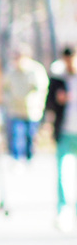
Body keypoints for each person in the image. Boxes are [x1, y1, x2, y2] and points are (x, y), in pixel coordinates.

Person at [3, 50, 49, 165]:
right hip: (15, 109)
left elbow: (41, 88)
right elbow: (5, 88)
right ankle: (16, 158)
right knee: (16, 134)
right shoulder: (11, 71)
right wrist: (9, 100)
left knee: (30, 134)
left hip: (32, 109)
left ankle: (30, 157)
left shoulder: (35, 70)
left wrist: (37, 102)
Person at [50, 47, 76, 231]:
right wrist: (58, 100)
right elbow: (48, 103)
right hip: (65, 132)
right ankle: (63, 210)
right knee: (63, 173)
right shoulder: (58, 80)